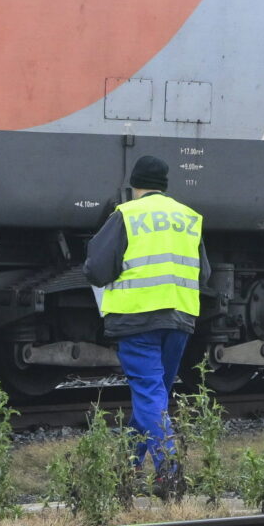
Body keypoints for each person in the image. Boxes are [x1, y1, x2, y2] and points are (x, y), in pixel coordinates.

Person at [82, 155, 203, 480]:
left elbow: (96, 270)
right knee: (155, 395)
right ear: (164, 186)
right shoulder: (189, 218)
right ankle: (128, 464)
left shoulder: (127, 214)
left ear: (134, 185)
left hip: (136, 321)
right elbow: (203, 274)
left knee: (150, 394)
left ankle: (169, 470)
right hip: (179, 320)